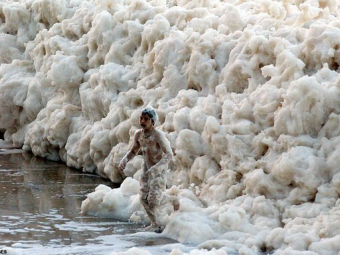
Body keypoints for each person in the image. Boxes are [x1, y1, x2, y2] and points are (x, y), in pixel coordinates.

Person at [119, 107, 179, 233]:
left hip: (159, 171)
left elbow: (169, 154)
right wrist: (125, 159)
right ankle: (155, 223)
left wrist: (157, 168)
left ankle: (172, 199)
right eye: (141, 118)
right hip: (146, 170)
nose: (142, 121)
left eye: (146, 119)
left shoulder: (158, 135)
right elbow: (134, 151)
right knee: (143, 199)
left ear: (152, 122)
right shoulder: (138, 135)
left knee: (153, 200)